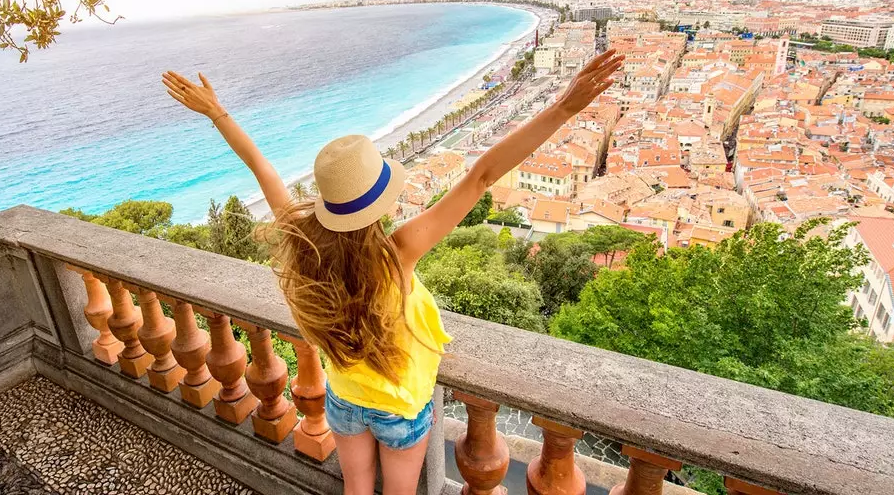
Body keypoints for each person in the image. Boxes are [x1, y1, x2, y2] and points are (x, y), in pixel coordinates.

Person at [161, 49, 624, 495]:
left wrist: (218, 114)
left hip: (343, 398)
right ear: (379, 203)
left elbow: (263, 171)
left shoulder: (305, 249)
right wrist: (564, 106)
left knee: (357, 488)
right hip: (400, 408)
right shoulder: (398, 252)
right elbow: (482, 175)